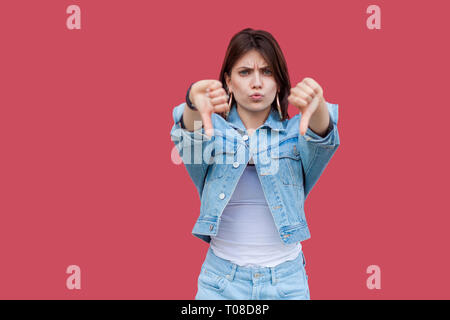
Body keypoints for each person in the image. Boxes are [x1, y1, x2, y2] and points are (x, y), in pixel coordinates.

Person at [170, 28, 340, 300]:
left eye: (267, 72)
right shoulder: (212, 132)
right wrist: (192, 103)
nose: (257, 83)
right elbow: (191, 141)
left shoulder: (296, 133)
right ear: (229, 81)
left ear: (280, 83)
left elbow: (322, 138)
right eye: (245, 72)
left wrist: (318, 107)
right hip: (220, 284)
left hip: (287, 284)